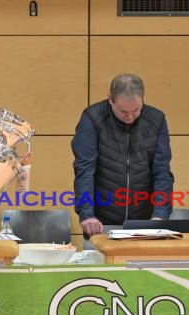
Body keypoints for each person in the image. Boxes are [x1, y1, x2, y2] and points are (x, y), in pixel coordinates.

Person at [71, 73, 174, 240]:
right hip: (101, 223)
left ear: (142, 99)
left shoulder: (156, 120)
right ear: (110, 99)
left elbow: (162, 171)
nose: (130, 117)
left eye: (136, 110)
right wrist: (86, 214)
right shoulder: (92, 118)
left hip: (145, 222)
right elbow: (84, 169)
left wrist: (160, 215)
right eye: (123, 111)